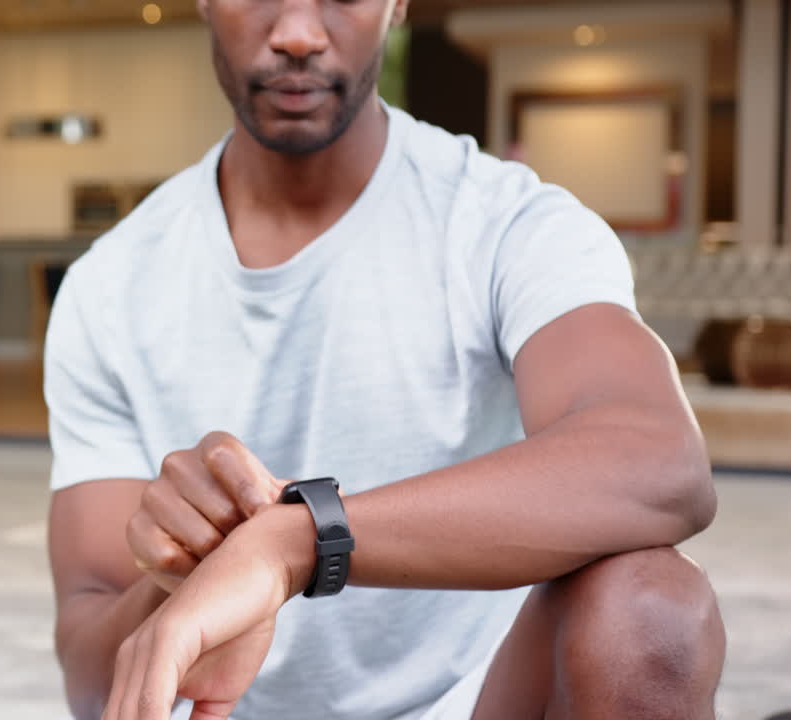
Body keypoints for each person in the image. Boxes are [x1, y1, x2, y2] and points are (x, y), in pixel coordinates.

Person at [44, 1, 726, 718]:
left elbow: (661, 464)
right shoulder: (112, 284)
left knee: (650, 608)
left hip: (486, 702)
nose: (298, 34)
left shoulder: (505, 225)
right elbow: (93, 681)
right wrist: (177, 580)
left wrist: (299, 540)